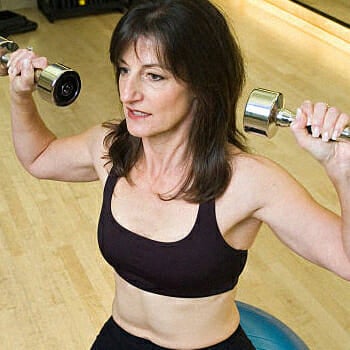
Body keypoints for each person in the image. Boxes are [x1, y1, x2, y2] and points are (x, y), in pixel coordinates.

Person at [5, 0, 350, 349]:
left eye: (154, 76)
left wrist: (342, 170)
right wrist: (21, 96)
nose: (129, 94)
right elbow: (40, 157)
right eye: (125, 70)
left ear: (202, 84)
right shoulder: (109, 148)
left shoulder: (248, 180)